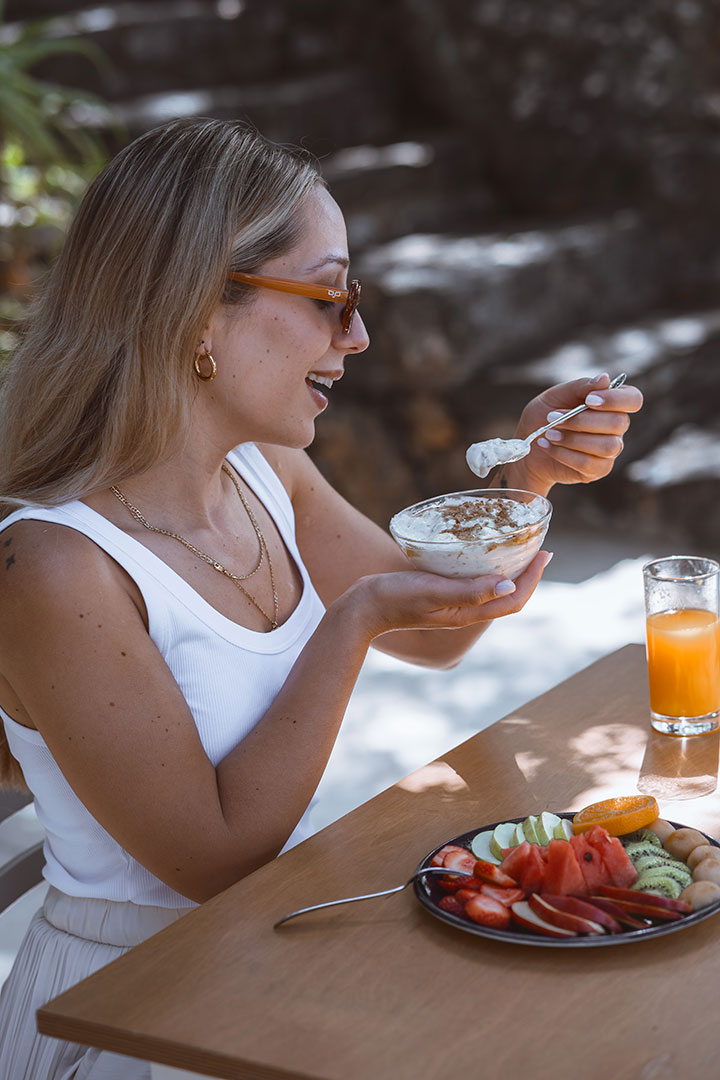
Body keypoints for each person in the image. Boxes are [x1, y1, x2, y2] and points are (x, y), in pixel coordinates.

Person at [0, 116, 643, 1078]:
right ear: (196, 313)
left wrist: (525, 483)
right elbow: (213, 859)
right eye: (331, 296)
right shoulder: (56, 568)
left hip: (271, 951)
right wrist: (354, 620)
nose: (362, 332)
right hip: (135, 1013)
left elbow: (434, 631)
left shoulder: (263, 475)